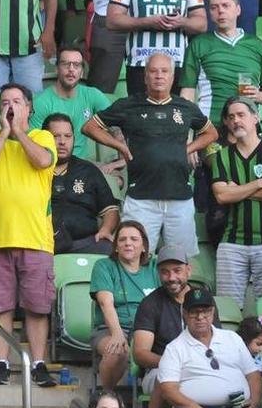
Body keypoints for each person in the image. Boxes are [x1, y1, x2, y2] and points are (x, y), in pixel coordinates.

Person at [84, 53, 216, 254]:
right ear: (145, 76)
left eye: (164, 71)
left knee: (180, 261)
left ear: (173, 77)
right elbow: (90, 127)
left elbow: (211, 133)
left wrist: (188, 149)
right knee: (135, 257)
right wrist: (119, 146)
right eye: (153, 71)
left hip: (180, 197)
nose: (159, 76)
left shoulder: (185, 107)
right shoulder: (128, 105)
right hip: (141, 198)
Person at [0, 83, 58, 387]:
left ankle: (38, 363)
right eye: (5, 102)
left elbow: (43, 161)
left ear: (29, 108)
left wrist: (19, 132)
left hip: (35, 238)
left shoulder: (43, 137)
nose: (10, 106)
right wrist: (5, 133)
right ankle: (2, 363)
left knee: (36, 306)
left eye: (17, 101)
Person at [211, 96, 262, 305]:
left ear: (255, 118)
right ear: (226, 123)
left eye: (241, 115)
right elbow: (221, 196)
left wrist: (236, 191)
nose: (236, 120)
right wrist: (258, 184)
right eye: (231, 117)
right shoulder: (222, 156)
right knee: (229, 309)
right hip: (231, 244)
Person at [158, 286, 262, 408]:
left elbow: (253, 375)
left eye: (205, 311)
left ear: (213, 312)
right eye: (194, 312)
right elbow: (168, 389)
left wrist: (255, 400)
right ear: (184, 314)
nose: (200, 317)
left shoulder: (232, 338)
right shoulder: (175, 348)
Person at [181, 0, 262, 129]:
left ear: (238, 10)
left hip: (248, 127)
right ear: (210, 13)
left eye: (226, 5)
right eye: (214, 7)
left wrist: (259, 96)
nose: (220, 11)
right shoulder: (198, 43)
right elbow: (187, 92)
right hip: (211, 127)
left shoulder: (256, 44)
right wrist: (188, 132)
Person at [131, 247, 195, 408]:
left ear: (188, 270)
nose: (171, 277)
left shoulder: (201, 300)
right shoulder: (150, 303)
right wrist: (173, 363)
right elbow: (140, 354)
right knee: (166, 378)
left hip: (199, 367)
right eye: (165, 272)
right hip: (158, 370)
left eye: (177, 271)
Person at [90, 221, 159, 389]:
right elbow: (105, 303)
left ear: (144, 246)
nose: (128, 243)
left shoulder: (155, 266)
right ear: (115, 246)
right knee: (116, 350)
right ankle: (107, 395)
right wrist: (117, 334)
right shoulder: (104, 266)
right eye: (122, 240)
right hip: (110, 328)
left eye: (134, 239)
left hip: (149, 330)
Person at [45, 113, 119, 253]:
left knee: (111, 251)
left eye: (67, 136)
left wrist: (105, 229)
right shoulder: (34, 171)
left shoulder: (88, 170)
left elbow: (111, 210)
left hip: (86, 242)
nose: (62, 142)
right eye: (55, 136)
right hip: (43, 244)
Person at [29, 47, 112, 160]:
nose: (71, 69)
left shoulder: (92, 95)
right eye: (66, 64)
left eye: (76, 65)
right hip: (52, 165)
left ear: (82, 72)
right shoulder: (42, 102)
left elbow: (119, 124)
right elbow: (33, 146)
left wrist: (120, 160)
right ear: (57, 69)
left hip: (83, 167)